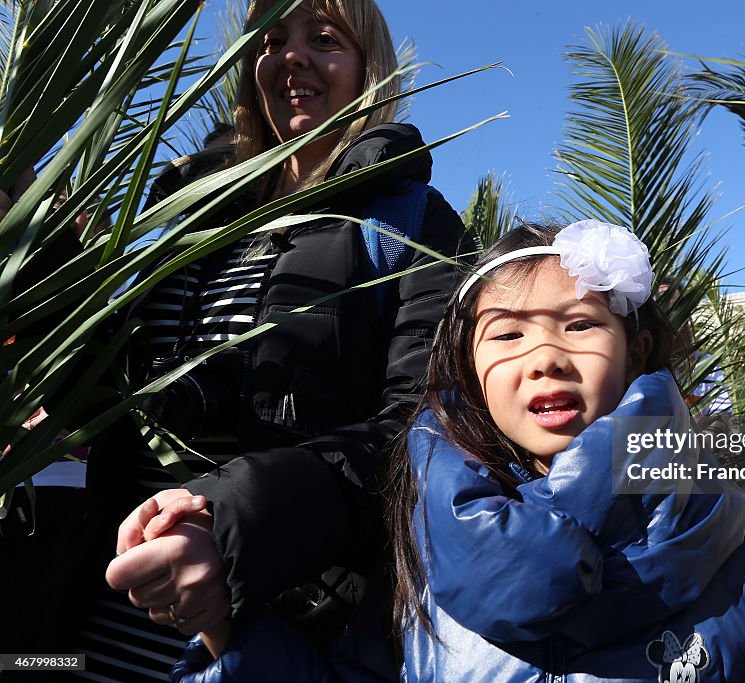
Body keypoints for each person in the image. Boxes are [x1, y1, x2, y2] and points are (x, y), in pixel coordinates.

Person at [1, 0, 470, 679]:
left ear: (369, 65)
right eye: (272, 38)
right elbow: (102, 395)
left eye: (325, 37)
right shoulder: (188, 216)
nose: (292, 56)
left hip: (265, 642)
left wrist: (230, 525)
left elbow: (419, 441)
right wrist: (32, 239)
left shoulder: (412, 222)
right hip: (83, 625)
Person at [384, 221, 745, 682]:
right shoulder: (418, 525)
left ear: (636, 353)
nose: (544, 357)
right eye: (509, 334)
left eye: (581, 326)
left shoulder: (730, 539)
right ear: (469, 365)